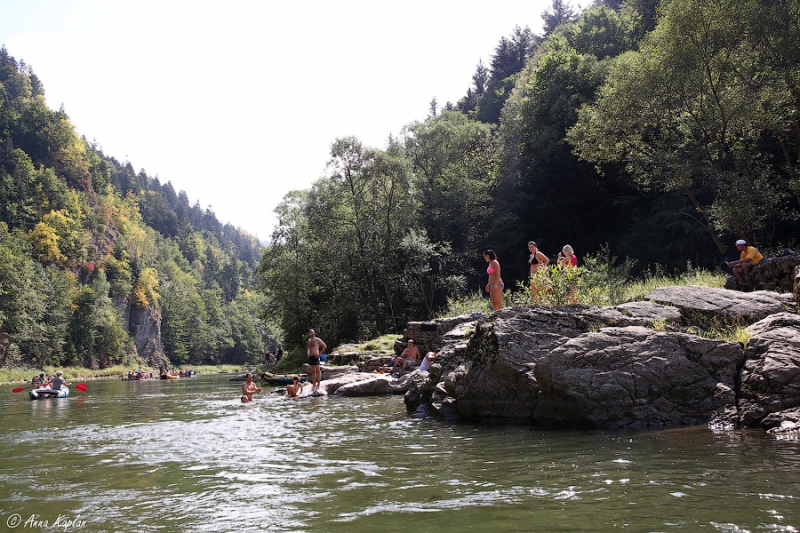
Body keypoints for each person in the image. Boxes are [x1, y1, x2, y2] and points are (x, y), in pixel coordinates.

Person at [307, 329, 327, 393]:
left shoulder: (317, 340)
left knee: (318, 371)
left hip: (316, 356)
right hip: (311, 357)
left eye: (313, 332)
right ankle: (314, 385)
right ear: (309, 334)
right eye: (311, 333)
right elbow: (308, 348)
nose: (313, 334)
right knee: (312, 372)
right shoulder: (309, 340)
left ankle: (318, 385)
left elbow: (324, 346)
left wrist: (319, 354)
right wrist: (308, 354)